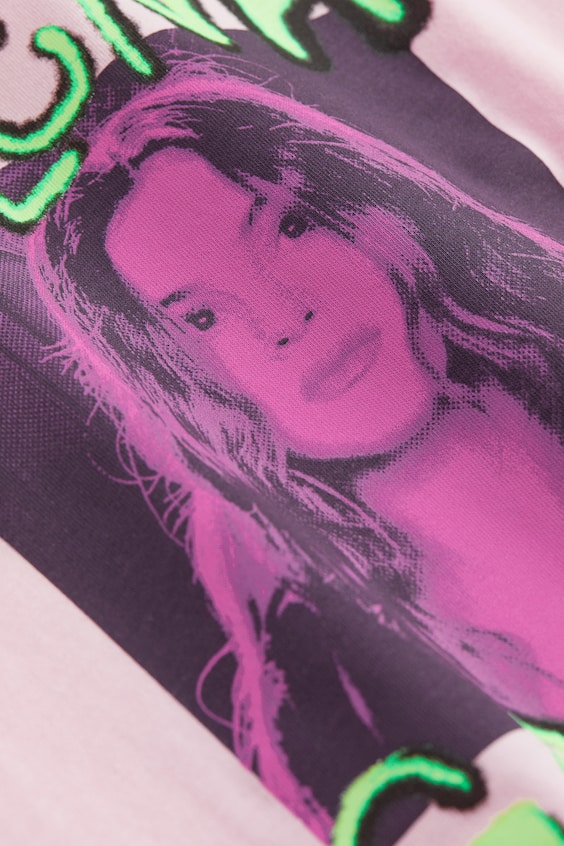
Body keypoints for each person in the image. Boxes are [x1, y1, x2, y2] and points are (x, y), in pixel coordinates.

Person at [28, 49, 564, 836]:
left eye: (287, 226)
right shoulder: (330, 686)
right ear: (178, 380)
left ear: (368, 213)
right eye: (202, 317)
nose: (282, 314)